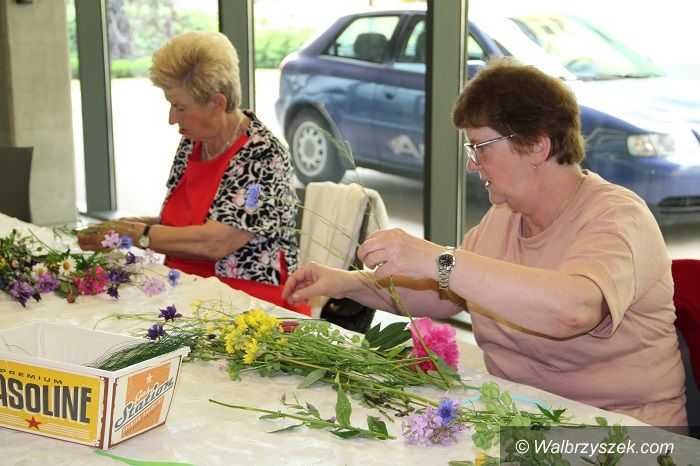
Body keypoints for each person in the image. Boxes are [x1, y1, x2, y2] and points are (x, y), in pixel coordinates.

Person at [283, 58, 687, 428]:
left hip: (619, 433)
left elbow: (573, 310)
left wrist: (439, 259)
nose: (472, 163)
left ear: (536, 145)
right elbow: (445, 294)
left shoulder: (616, 216)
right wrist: (346, 282)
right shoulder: (505, 216)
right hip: (520, 420)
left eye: (479, 147)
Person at [78, 31, 309, 315]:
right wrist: (122, 228)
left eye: (180, 107)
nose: (171, 118)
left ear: (217, 103)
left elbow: (216, 242)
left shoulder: (263, 155)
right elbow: (180, 224)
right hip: (186, 289)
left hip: (249, 302)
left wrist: (136, 234)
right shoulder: (193, 141)